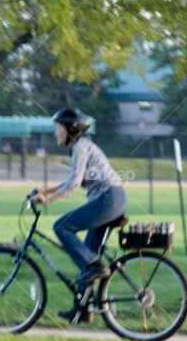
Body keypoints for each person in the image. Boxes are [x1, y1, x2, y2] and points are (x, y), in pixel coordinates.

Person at [31, 107, 127, 323]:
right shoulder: (83, 147)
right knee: (87, 256)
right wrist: (44, 192)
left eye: (58, 128)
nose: (56, 133)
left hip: (108, 199)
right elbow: (71, 180)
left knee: (61, 226)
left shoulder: (81, 148)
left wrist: (49, 200)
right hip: (111, 200)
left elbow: (73, 184)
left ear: (70, 130)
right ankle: (82, 310)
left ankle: (94, 267)